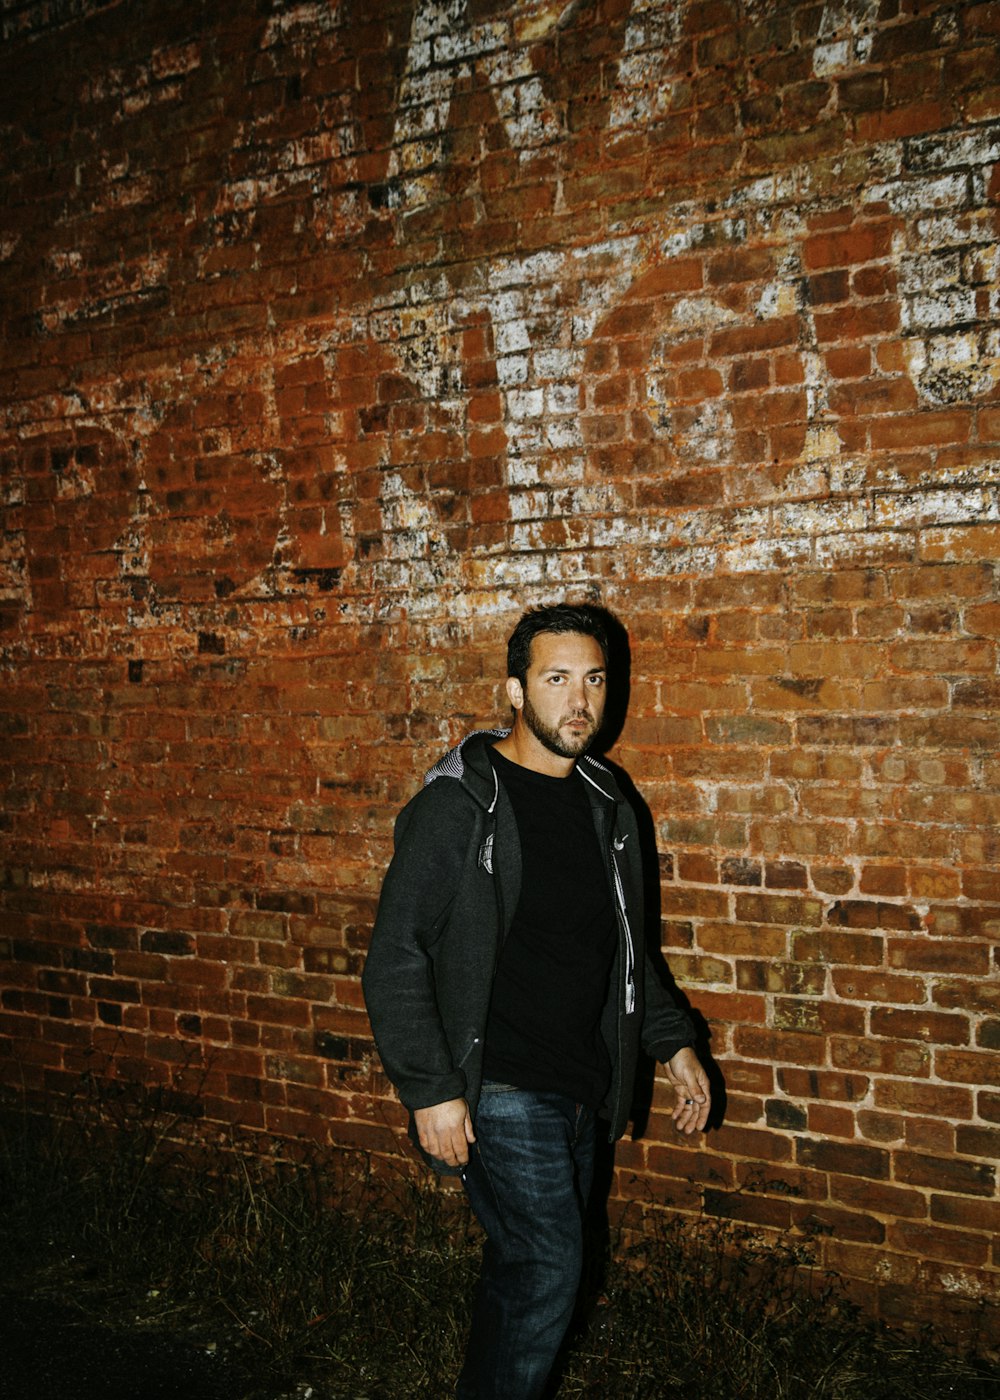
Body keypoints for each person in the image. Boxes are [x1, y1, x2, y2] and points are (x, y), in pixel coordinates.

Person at [362, 602, 711, 1399]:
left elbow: (624, 943)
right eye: (556, 680)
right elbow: (396, 954)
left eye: (593, 679)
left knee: (527, 1269)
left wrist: (671, 1038)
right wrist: (433, 1088)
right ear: (515, 691)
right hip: (499, 1086)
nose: (579, 701)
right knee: (551, 1264)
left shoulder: (608, 801)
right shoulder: (460, 804)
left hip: (579, 1082)